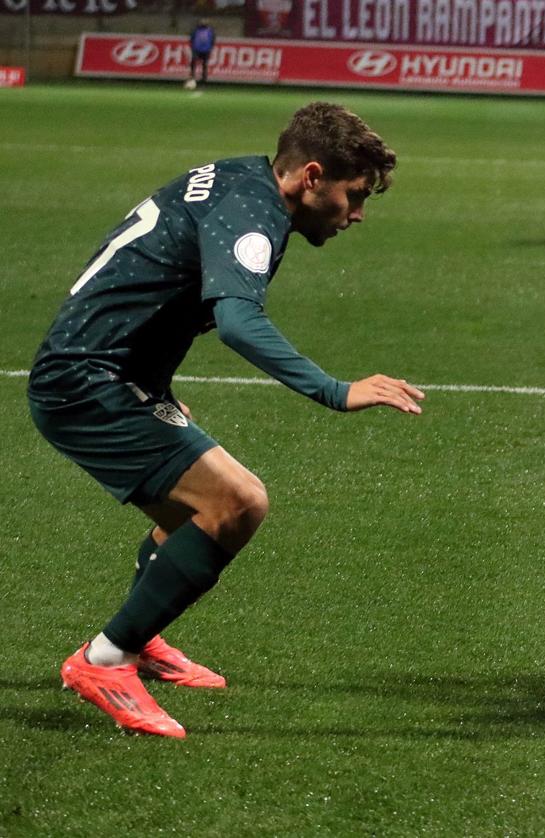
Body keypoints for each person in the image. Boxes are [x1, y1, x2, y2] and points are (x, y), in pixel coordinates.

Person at [28, 102, 425, 738]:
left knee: (193, 517)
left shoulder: (242, 179)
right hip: (86, 382)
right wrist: (333, 390)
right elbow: (238, 322)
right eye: (353, 196)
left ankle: (142, 631)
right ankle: (105, 659)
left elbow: (150, 282)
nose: (357, 215)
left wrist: (157, 384)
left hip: (108, 371)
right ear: (311, 176)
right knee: (238, 502)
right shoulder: (253, 214)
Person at [189, 19, 215, 86]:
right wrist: (193, 47)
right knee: (194, 62)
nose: (203, 24)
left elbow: (213, 40)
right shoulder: (196, 30)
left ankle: (203, 80)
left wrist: (210, 48)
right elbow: (192, 39)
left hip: (205, 50)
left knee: (204, 65)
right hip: (197, 49)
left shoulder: (210, 31)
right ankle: (192, 77)